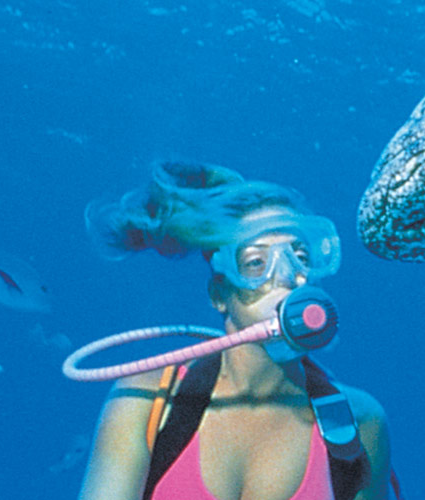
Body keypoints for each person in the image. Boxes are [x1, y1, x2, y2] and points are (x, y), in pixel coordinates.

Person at [78, 161, 395, 500]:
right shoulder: (145, 401)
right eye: (256, 263)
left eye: (300, 256)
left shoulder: (359, 422)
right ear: (219, 294)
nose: (287, 277)